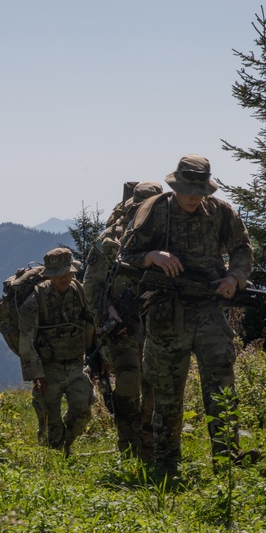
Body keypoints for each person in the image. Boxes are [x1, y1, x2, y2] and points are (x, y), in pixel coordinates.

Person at [119, 155, 256, 480]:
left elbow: (242, 249)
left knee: (221, 390)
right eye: (188, 190)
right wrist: (152, 256)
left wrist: (234, 279)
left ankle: (227, 468)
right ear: (176, 185)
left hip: (209, 311)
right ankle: (167, 471)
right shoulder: (154, 211)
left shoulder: (221, 212)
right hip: (167, 314)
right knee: (167, 395)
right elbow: (125, 255)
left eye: (199, 190)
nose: (194, 197)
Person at [83, 180, 162, 460]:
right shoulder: (112, 238)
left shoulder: (168, 237)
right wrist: (106, 313)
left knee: (154, 386)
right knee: (128, 381)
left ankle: (150, 450)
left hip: (159, 322)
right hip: (122, 325)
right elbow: (91, 284)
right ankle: (129, 448)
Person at [18, 247, 96, 457]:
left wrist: (100, 359)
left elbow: (91, 324)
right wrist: (37, 375)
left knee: (83, 410)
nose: (65, 278)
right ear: (50, 275)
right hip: (48, 369)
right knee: (51, 422)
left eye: (68, 273)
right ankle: (55, 455)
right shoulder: (35, 300)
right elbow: (26, 340)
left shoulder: (79, 292)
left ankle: (67, 445)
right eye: (59, 274)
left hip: (75, 364)